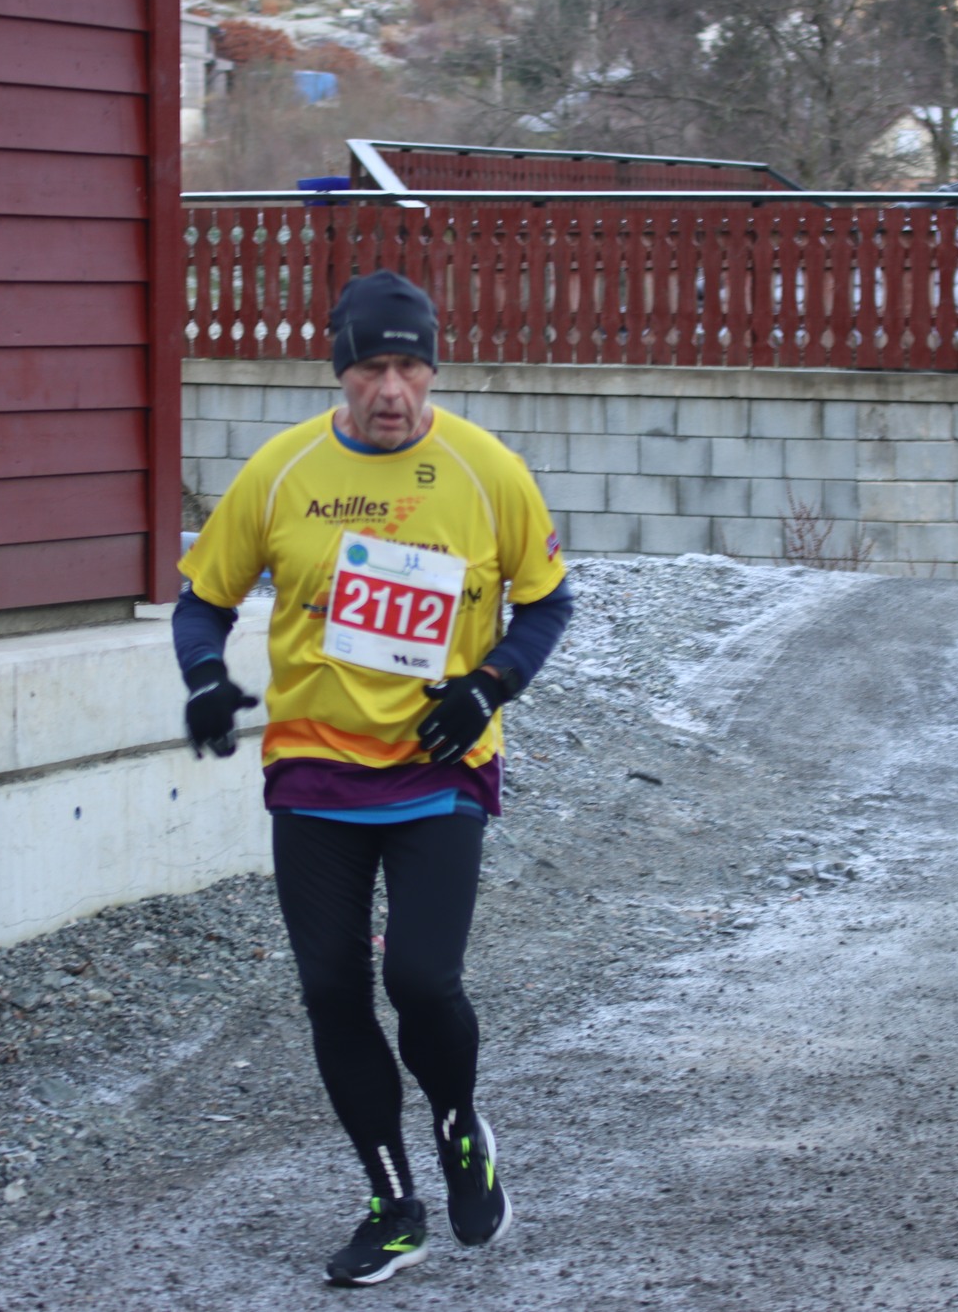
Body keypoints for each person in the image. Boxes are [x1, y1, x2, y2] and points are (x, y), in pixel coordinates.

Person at [172, 270, 576, 1287]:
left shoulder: (486, 471)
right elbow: (201, 601)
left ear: (432, 368)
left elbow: (546, 604)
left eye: (408, 367)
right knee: (331, 993)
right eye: (369, 369)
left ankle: (458, 1123)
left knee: (421, 981)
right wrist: (204, 678)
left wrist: (488, 686)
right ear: (339, 372)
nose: (389, 390)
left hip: (438, 768)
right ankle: (392, 1204)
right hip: (313, 772)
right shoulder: (281, 472)